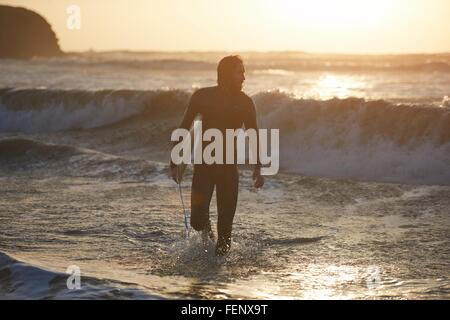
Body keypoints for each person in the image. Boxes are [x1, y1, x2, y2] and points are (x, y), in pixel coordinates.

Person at [169, 55, 264, 256]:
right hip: (204, 168)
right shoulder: (202, 97)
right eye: (240, 72)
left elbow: (253, 134)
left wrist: (258, 168)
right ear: (227, 74)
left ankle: (218, 275)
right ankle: (207, 238)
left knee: (225, 232)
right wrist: (175, 160)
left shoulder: (245, 103)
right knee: (196, 220)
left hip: (228, 171)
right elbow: (185, 127)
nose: (244, 78)